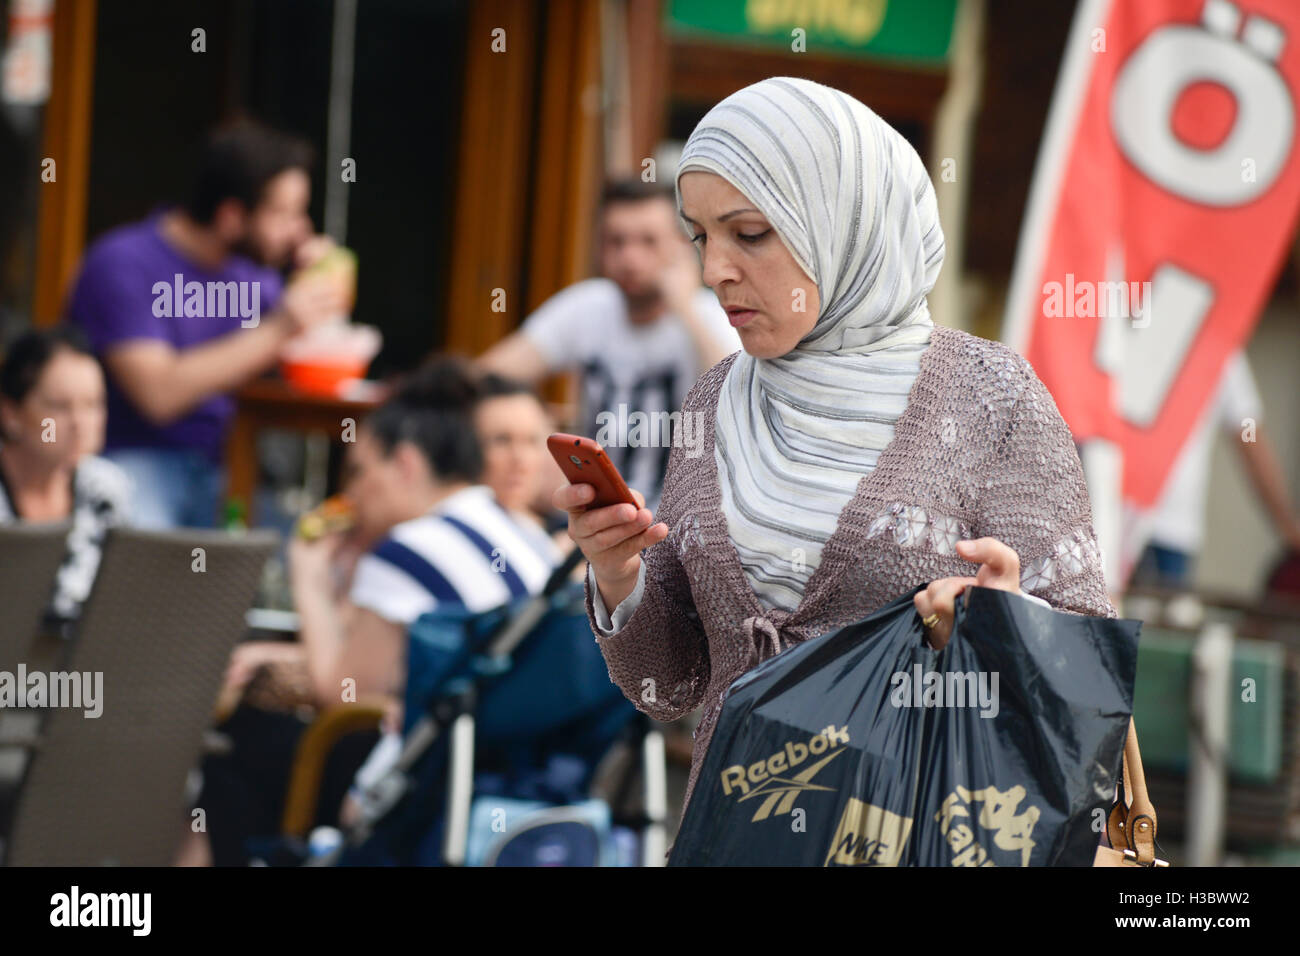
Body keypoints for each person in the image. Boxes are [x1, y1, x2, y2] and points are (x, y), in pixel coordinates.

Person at [554, 77, 1115, 831]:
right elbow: (673, 685)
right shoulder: (715, 400)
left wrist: (1008, 622)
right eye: (700, 236)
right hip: (733, 840)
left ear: (844, 220)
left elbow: (1084, 687)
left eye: (749, 233)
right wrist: (620, 577)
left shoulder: (990, 397)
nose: (714, 268)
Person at [191, 359, 560, 865]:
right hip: (523, 762)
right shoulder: (519, 528)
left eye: (360, 471)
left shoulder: (407, 548)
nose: (352, 493)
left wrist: (309, 577)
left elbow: (341, 695)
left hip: (438, 785)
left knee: (243, 745)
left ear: (405, 465)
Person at [66, 120, 348, 529]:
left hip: (229, 468)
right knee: (143, 550)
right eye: (284, 213)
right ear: (232, 216)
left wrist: (317, 283)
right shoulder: (122, 264)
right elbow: (158, 395)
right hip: (134, 462)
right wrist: (280, 326)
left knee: (302, 549)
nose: (301, 229)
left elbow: (312, 369)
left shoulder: (257, 278)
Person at [478, 178, 742, 512]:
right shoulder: (588, 306)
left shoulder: (710, 315)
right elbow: (488, 377)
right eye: (616, 241)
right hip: (591, 515)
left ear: (681, 245)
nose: (630, 258)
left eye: (648, 241)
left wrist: (685, 309)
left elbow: (738, 401)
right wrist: (535, 427)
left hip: (681, 525)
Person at [1128, 349, 1300, 589]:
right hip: (1119, 516)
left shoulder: (1221, 345)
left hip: (1171, 529)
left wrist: (1288, 524)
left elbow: (1246, 429)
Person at [0, 326, 130, 625]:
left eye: (92, 404)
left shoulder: (107, 488)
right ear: (11, 414)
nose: (79, 423)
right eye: (59, 406)